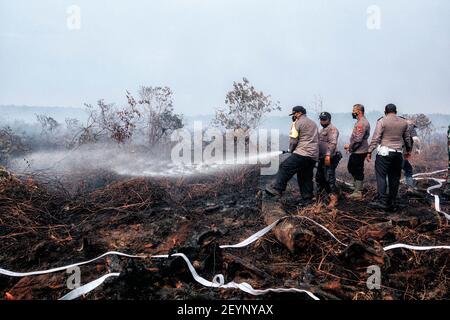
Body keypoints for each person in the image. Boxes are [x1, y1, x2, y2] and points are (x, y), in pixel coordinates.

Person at [265, 106, 319, 206]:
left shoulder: (297, 123)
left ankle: (277, 189)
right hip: (313, 156)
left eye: (294, 114)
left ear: (299, 113)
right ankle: (307, 199)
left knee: (285, 167)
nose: (293, 116)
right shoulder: (314, 124)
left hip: (302, 153)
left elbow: (293, 141)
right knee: (305, 176)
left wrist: (291, 150)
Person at [367, 104, 412, 210]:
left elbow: (376, 138)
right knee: (395, 177)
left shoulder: (382, 121)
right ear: (396, 111)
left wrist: (369, 151)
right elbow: (407, 139)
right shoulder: (404, 122)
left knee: (381, 176)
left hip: (384, 153)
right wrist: (408, 150)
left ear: (385, 112)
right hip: (398, 153)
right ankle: (392, 201)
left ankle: (382, 201)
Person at [344, 104, 371, 199]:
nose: (352, 112)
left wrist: (350, 147)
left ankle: (358, 191)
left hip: (359, 150)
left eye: (353, 110)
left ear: (359, 111)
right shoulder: (359, 122)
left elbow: (358, 140)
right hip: (357, 150)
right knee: (352, 167)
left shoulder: (362, 123)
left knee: (357, 169)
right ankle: (356, 186)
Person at [316, 112, 341, 209]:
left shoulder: (332, 129)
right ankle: (320, 198)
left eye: (324, 119)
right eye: (321, 119)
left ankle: (334, 199)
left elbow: (332, 144)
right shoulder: (322, 130)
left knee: (329, 178)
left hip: (329, 157)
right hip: (322, 158)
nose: (322, 121)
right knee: (319, 177)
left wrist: (327, 155)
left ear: (329, 119)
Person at [402, 119, 421, 189]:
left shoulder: (399, 128)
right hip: (402, 154)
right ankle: (410, 187)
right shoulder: (410, 127)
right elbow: (416, 139)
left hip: (391, 152)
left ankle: (385, 189)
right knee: (408, 169)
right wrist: (418, 149)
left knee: (391, 171)